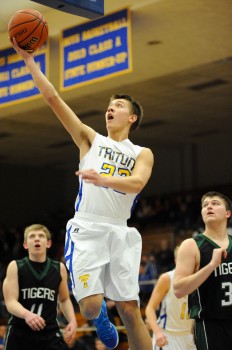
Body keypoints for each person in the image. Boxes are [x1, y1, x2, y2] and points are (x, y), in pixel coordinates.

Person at [11, 38, 154, 350]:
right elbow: (53, 99)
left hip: (120, 228)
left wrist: (102, 179)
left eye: (118, 106)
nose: (110, 109)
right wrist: (28, 60)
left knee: (131, 309)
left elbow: (138, 183)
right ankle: (99, 313)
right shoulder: (90, 140)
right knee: (88, 307)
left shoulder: (142, 152)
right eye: (108, 106)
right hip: (87, 228)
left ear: (132, 118)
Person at [3, 224, 77, 350]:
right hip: (20, 333)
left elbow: (64, 299)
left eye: (41, 236)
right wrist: (27, 315)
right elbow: (10, 302)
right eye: (32, 236)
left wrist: (72, 320)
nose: (37, 239)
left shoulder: (59, 268)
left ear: (48, 243)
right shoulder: (15, 266)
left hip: (49, 333)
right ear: (25, 244)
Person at [174, 191, 232, 350]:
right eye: (205, 205)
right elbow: (178, 290)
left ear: (228, 213)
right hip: (210, 325)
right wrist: (211, 266)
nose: (209, 206)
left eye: (215, 203)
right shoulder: (191, 245)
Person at [145, 246, 196, 349]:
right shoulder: (167, 278)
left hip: (189, 337)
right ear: (176, 260)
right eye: (183, 259)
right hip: (168, 336)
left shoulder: (198, 278)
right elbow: (149, 309)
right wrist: (158, 332)